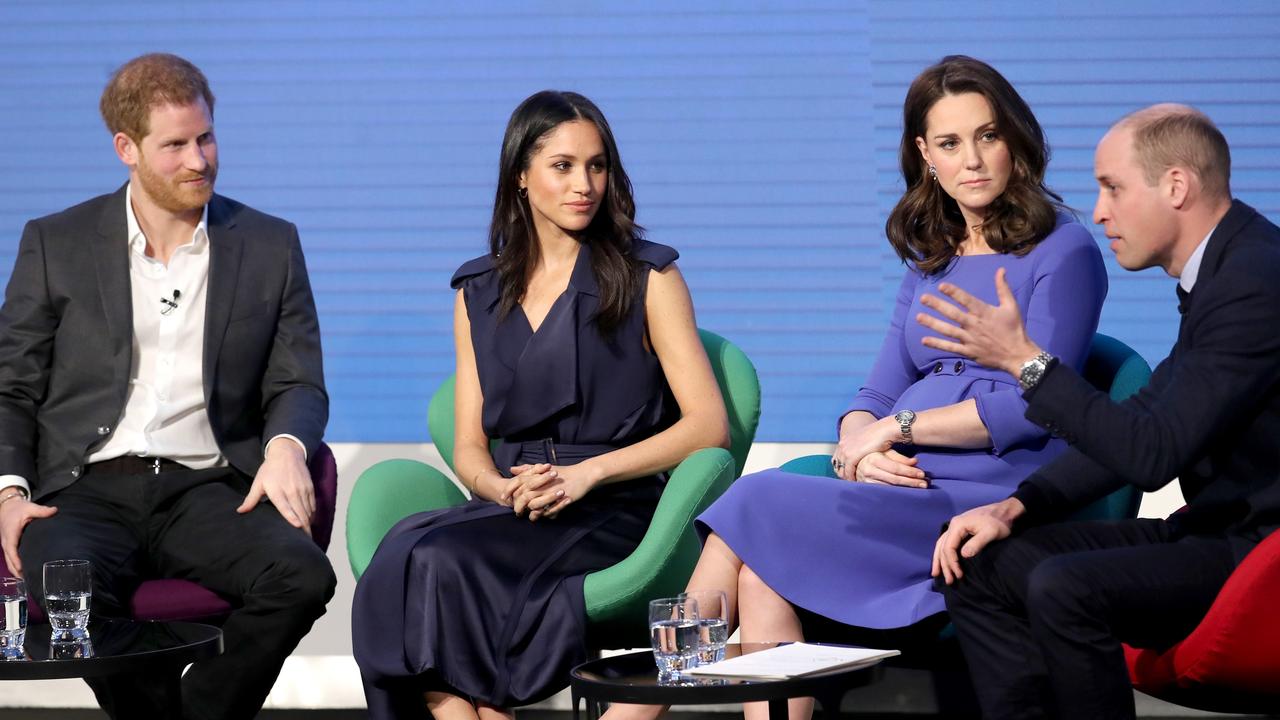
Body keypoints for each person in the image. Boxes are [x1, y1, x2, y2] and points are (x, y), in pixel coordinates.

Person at [607, 55, 1108, 720]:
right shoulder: (933, 261)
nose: (974, 160)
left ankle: (642, 706)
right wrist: (859, 449)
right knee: (761, 573)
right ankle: (663, 697)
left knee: (753, 502)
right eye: (951, 144)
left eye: (988, 136)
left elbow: (1031, 407)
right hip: (892, 490)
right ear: (926, 155)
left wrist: (898, 430)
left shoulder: (1065, 252)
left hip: (982, 500)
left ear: (1015, 139)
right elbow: (874, 394)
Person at [351, 90, 730, 720]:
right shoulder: (477, 290)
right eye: (562, 165)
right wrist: (500, 491)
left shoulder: (649, 276)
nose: (584, 184)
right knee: (406, 552)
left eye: (597, 165)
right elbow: (471, 444)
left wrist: (588, 474)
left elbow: (708, 426)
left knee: (446, 562)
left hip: (614, 503)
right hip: (516, 502)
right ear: (521, 177)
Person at [0, 53, 335, 719]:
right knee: (69, 590)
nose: (198, 160)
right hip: (84, 488)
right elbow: (11, 387)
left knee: (302, 577)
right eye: (175, 145)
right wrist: (10, 491)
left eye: (205, 138)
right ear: (126, 148)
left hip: (209, 490)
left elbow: (299, 378)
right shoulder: (55, 243)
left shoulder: (268, 245)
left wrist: (287, 446)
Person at [923, 104, 1280, 719]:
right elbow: (1148, 411)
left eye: (1112, 187)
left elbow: (1152, 453)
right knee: (980, 568)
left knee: (1065, 588)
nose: (1099, 211)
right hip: (1217, 532)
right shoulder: (1225, 270)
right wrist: (1018, 505)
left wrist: (1026, 363)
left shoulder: (1256, 279)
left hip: (1258, 553)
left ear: (1176, 186)